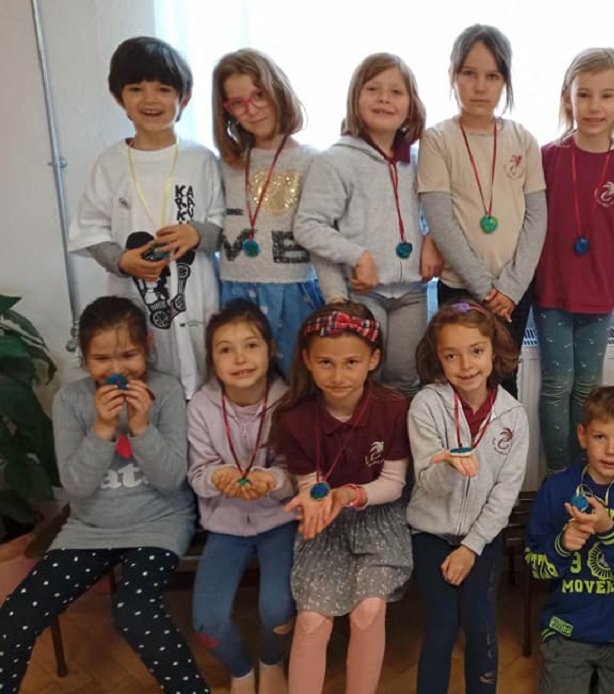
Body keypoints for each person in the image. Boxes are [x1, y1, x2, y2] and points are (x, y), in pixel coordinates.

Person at [0, 297, 207, 693]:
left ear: (147, 346)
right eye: (100, 359)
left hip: (158, 523)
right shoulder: (70, 400)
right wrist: (102, 428)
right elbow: (76, 486)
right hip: (89, 528)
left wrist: (141, 427)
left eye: (128, 355)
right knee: (15, 617)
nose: (116, 370)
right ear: (84, 356)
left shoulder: (165, 392)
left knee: (134, 611)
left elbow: (170, 480)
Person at [68, 36, 224, 398]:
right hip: (134, 294)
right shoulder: (110, 163)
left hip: (196, 291)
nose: (150, 100)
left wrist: (197, 234)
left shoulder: (202, 159)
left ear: (184, 98)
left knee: (203, 373)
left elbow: (225, 224)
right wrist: (121, 260)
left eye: (163, 89)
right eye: (136, 89)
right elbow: (89, 228)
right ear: (118, 97)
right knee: (143, 374)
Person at [272, 303, 412, 694]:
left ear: (373, 360)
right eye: (326, 363)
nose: (338, 376)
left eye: (351, 362)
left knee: (369, 610)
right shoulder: (294, 417)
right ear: (307, 361)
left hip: (378, 516)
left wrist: (349, 494)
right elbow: (312, 484)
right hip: (325, 522)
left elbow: (393, 483)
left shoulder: (393, 408)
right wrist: (312, 499)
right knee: (311, 620)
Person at [295, 52, 441, 398]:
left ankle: (400, 436)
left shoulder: (419, 161)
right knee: (362, 383)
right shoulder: (335, 160)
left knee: (406, 380)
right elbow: (309, 225)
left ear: (411, 105)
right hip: (362, 293)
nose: (384, 99)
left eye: (396, 92)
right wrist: (357, 255)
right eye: (373, 89)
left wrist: (432, 238)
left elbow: (437, 211)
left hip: (412, 293)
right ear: (355, 97)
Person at [533, 48, 614, 474]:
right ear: (568, 99)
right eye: (584, 95)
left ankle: (588, 475)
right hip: (552, 294)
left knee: (587, 388)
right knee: (557, 384)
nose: (594, 106)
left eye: (606, 96)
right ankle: (559, 475)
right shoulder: (547, 157)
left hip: (599, 296)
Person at [417, 24, 547, 397]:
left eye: (492, 76)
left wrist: (511, 287)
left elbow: (537, 217)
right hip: (461, 287)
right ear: (453, 75)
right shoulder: (437, 139)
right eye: (469, 74)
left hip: (513, 290)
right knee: (460, 382)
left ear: (505, 80)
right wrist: (487, 291)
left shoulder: (523, 139)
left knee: (504, 378)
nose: (480, 86)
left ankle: (505, 441)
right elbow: (441, 220)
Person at [406, 300, 529, 693]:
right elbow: (428, 483)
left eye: (476, 351)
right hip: (430, 533)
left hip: (483, 538)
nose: (466, 365)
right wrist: (447, 466)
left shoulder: (513, 415)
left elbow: (505, 495)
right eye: (451, 355)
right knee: (443, 624)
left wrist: (471, 548)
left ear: (494, 351)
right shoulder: (427, 405)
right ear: (437, 358)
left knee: (480, 623)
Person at [524, 386, 614, 694]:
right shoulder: (556, 488)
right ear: (582, 435)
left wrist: (609, 531)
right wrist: (562, 545)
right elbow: (536, 567)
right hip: (567, 627)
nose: (611, 450)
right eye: (600, 436)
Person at [187, 300, 296, 694]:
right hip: (224, 526)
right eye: (225, 349)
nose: (240, 358)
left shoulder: (289, 402)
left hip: (280, 522)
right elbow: (197, 473)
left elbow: (297, 475)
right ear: (211, 359)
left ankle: (272, 660)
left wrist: (272, 481)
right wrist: (217, 477)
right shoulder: (201, 406)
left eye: (251, 345)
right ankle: (241, 670)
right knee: (208, 622)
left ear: (271, 349)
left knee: (279, 610)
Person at [212, 49, 324, 377]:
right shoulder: (224, 164)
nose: (252, 109)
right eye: (238, 103)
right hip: (235, 291)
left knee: (299, 382)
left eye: (259, 95)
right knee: (244, 382)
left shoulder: (312, 161)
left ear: (278, 91)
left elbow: (322, 230)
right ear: (227, 111)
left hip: (293, 290)